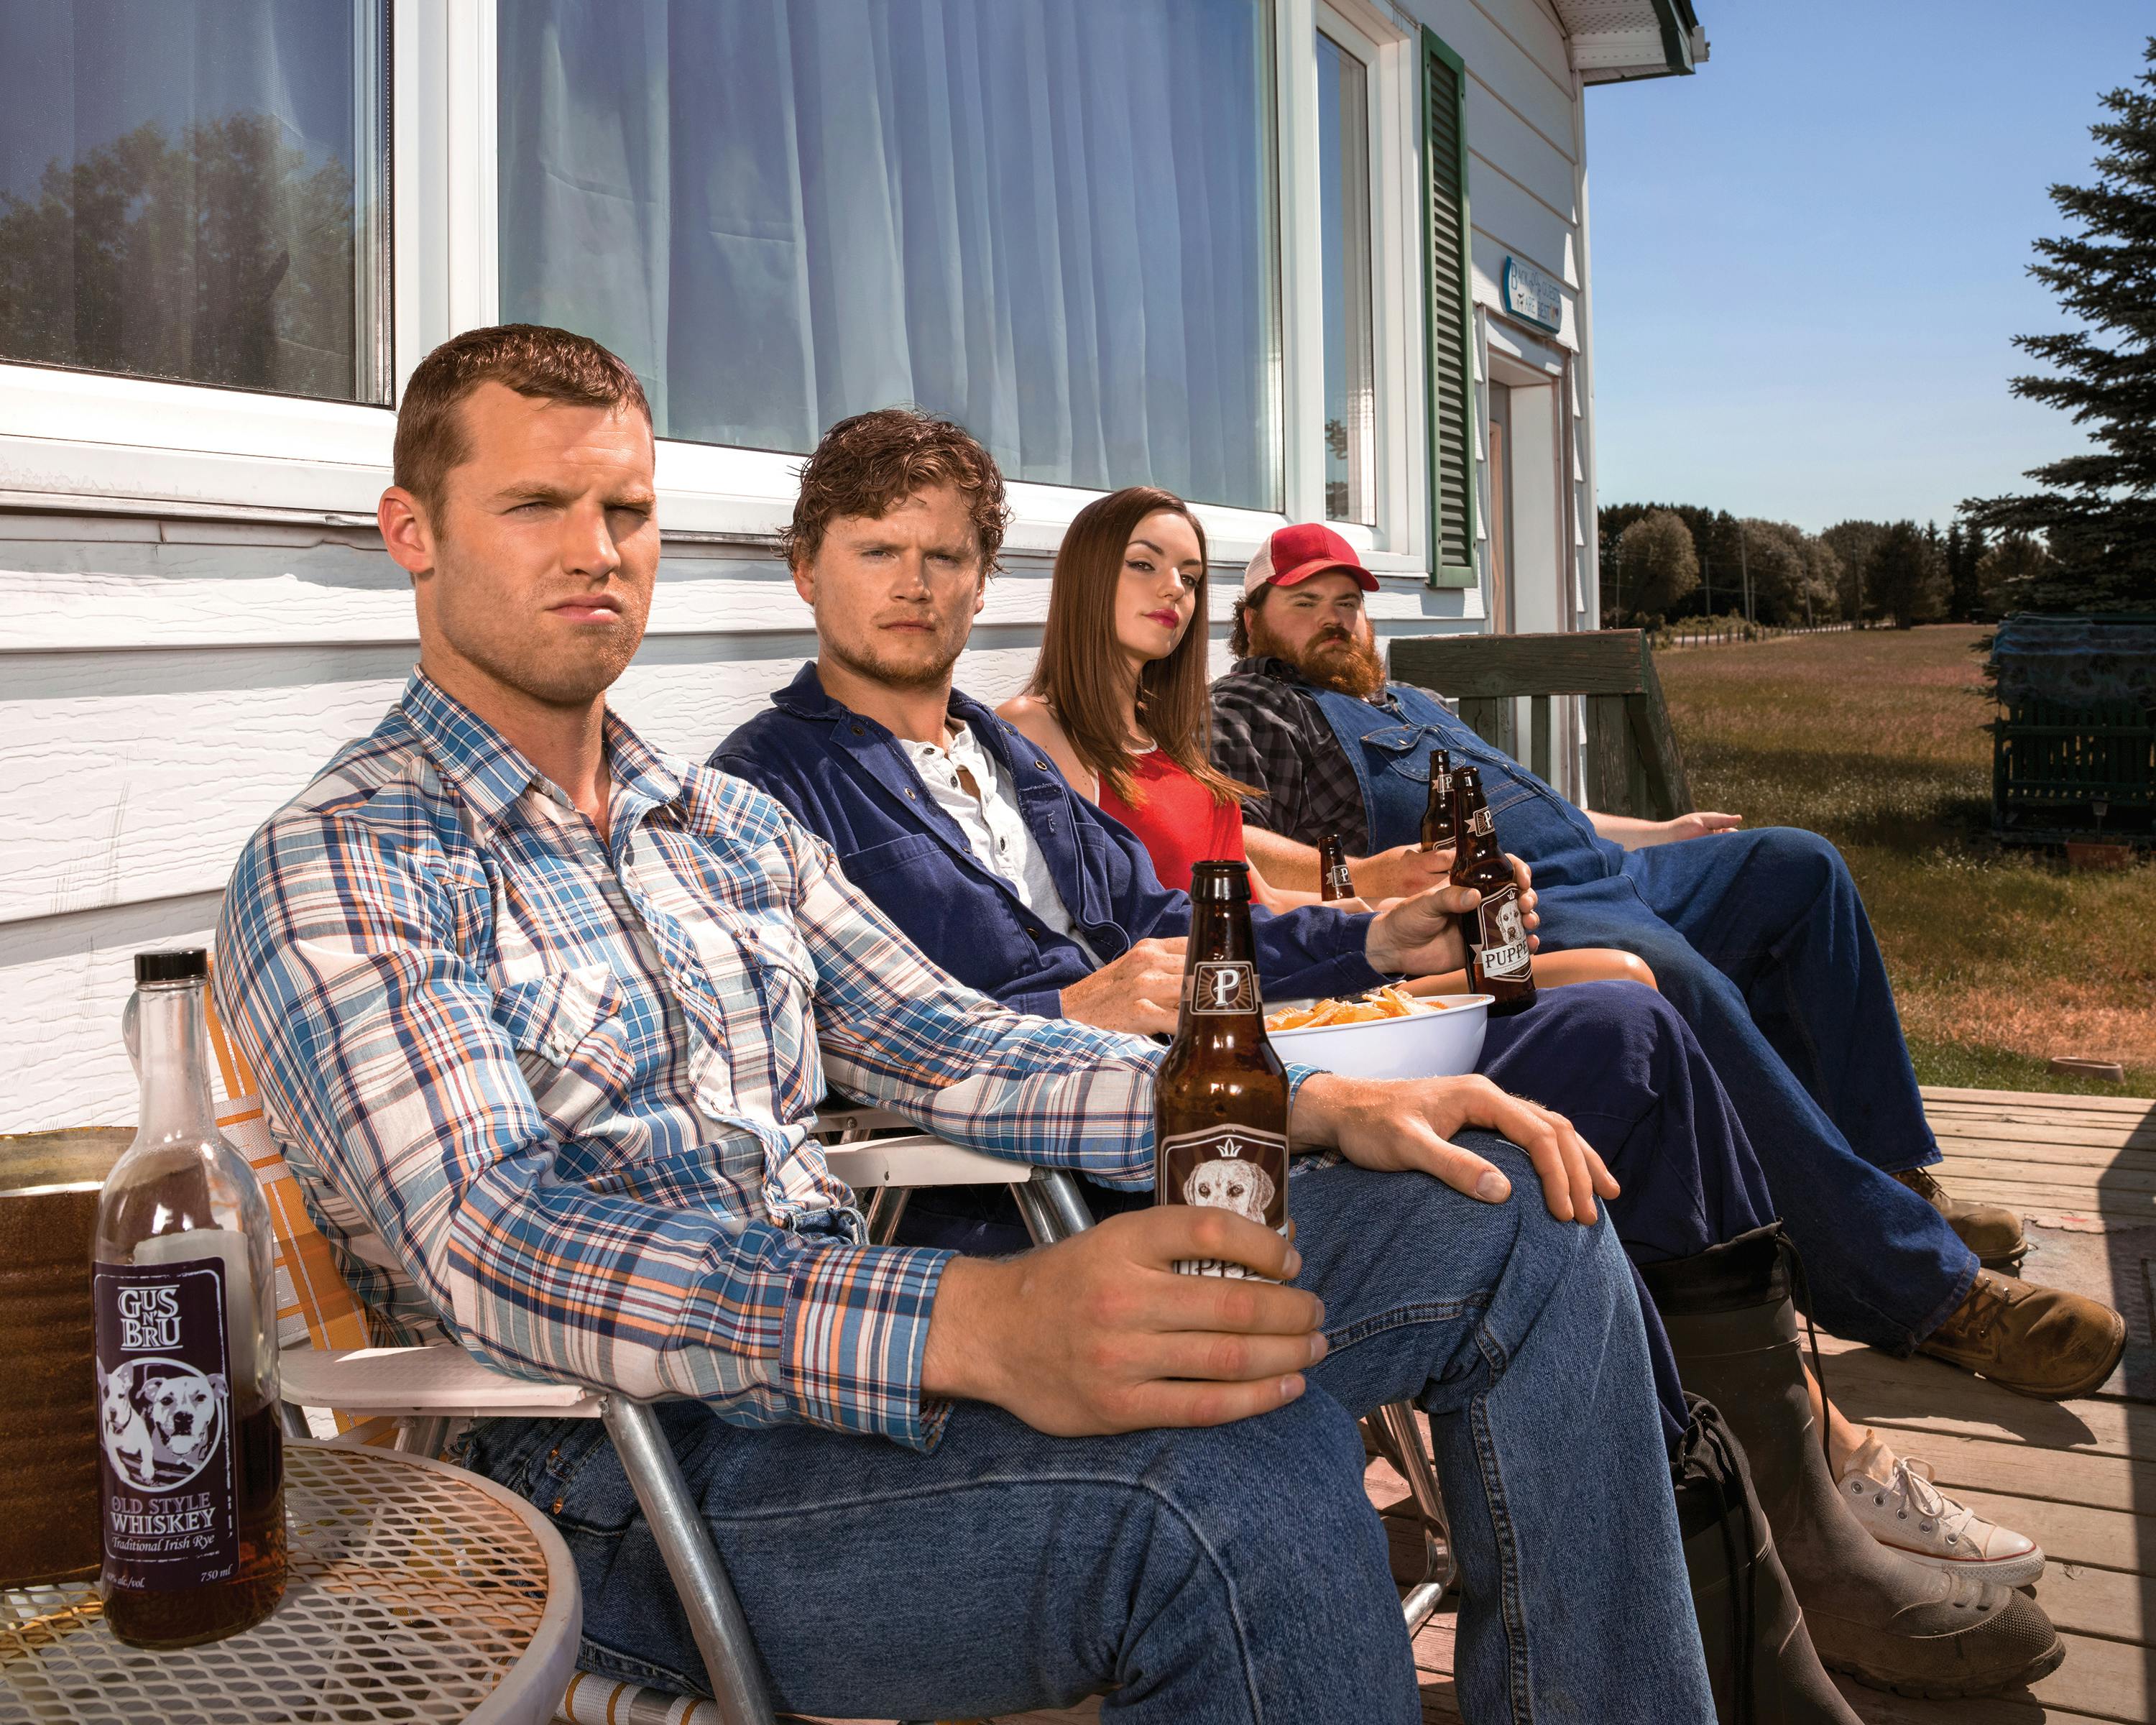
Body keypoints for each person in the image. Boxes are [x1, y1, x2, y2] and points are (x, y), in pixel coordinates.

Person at [214, 326, 1718, 1725]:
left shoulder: (719, 827)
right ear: (411, 533)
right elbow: (494, 1240)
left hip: (864, 1383)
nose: (598, 553)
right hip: (621, 1471)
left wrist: (1293, 1106)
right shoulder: (351, 859)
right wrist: (977, 1323)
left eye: (628, 511)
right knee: (1241, 1479)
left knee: (1524, 1220)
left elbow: (954, 1044)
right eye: (537, 506)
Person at [717, 408, 2060, 1705]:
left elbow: (1188, 924)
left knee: (1625, 1027)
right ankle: (1764, 1557)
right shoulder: (770, 789)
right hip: (1067, 1186)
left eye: (944, 555)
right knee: (1562, 1130)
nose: (915, 585)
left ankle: (1767, 1510)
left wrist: (1375, 936)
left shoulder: (999, 760)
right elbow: (862, 1046)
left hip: (1229, 1078)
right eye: (876, 551)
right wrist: (1076, 1006)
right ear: (804, 568)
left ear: (979, 576)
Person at [1209, 523, 2127, 1403]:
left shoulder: (1406, 700)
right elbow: (1226, 829)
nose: (1337, 618)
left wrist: (1663, 832)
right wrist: (1366, 878)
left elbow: (1548, 806)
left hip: (1624, 871)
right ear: (1253, 622)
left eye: (1349, 601)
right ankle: (1918, 1286)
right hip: (1523, 912)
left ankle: (1883, 1184)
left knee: (1799, 866)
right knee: (1668, 979)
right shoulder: (1258, 706)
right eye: (1307, 602)